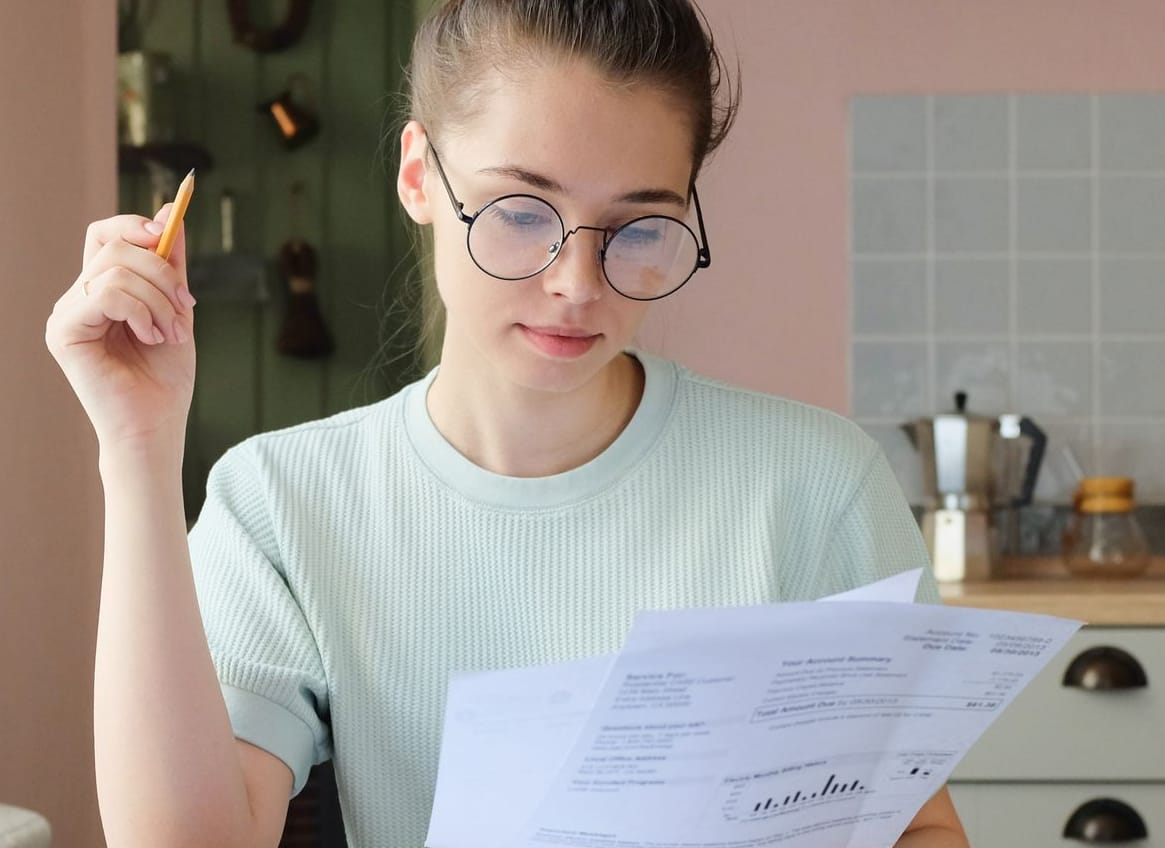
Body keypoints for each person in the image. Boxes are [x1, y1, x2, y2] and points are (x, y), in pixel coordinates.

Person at [46, 1, 968, 846]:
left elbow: (915, 826)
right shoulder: (283, 503)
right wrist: (137, 445)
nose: (577, 284)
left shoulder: (815, 484)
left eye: (639, 228)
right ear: (418, 175)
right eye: (522, 212)